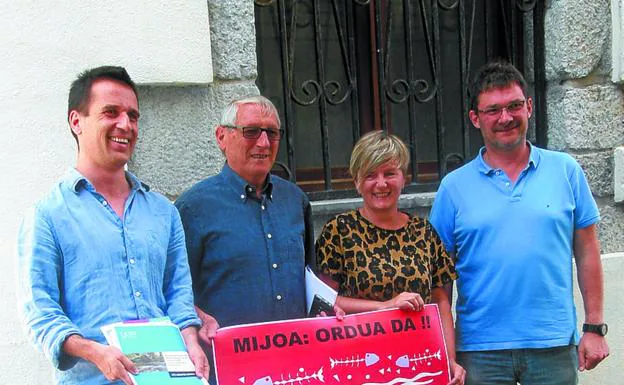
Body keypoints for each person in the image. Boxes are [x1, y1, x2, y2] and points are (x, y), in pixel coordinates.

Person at [16, 66, 208, 385]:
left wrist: (190, 338)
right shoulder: (47, 215)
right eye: (111, 112)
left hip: (167, 378)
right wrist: (95, 351)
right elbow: (40, 313)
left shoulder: (164, 212)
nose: (126, 125)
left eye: (133, 116)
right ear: (76, 121)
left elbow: (178, 293)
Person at [429, 60, 609, 384]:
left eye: (514, 105)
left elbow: (587, 252)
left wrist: (594, 327)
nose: (505, 118)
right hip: (479, 351)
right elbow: (438, 280)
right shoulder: (452, 188)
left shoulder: (566, 170)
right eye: (493, 110)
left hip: (552, 345)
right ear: (475, 118)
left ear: (529, 107)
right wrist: (445, 350)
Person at [175, 96, 327, 383]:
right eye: (251, 131)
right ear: (222, 137)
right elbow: (175, 293)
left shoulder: (295, 201)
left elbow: (308, 279)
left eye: (272, 132)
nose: (264, 143)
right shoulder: (193, 208)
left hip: (295, 368)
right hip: (228, 370)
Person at [315, 130, 466, 385]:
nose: (381, 184)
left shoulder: (424, 232)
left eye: (389, 173)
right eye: (371, 175)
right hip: (361, 363)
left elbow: (441, 305)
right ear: (356, 182)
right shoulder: (339, 231)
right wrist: (385, 307)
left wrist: (448, 360)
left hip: (418, 363)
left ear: (403, 179)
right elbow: (326, 302)